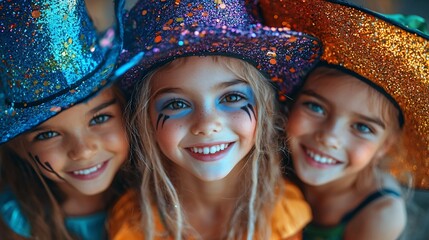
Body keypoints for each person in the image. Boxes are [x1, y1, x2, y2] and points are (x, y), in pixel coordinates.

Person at [108, 0, 323, 239]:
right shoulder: (134, 223)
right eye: (176, 104)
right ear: (145, 119)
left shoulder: (280, 212)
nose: (207, 125)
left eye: (232, 97)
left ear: (265, 109)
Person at [259, 0, 429, 239]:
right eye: (315, 107)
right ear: (291, 103)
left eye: (362, 127)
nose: (329, 138)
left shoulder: (379, 214)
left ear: (386, 146)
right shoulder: (270, 158)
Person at [0, 0, 140, 239]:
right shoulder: (20, 221)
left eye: (100, 118)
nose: (83, 151)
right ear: (18, 147)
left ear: (127, 110)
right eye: (47, 134)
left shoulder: (158, 191)